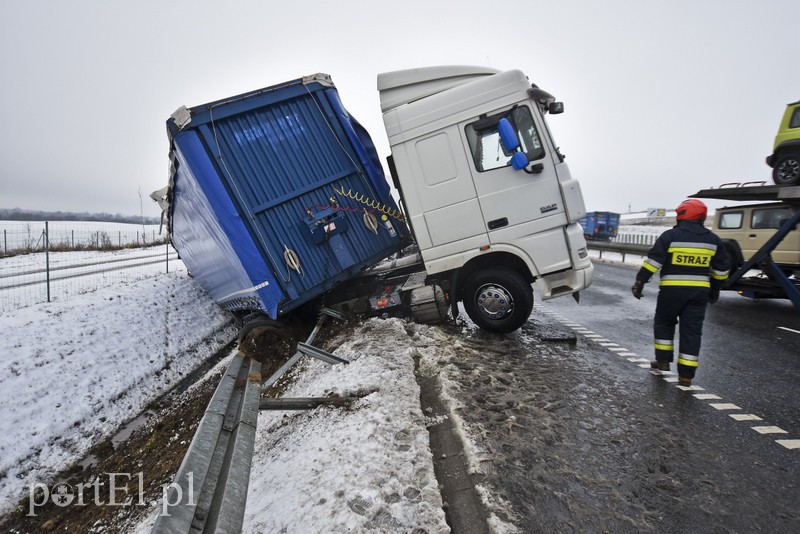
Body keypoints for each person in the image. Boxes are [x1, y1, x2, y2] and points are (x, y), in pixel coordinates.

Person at [631, 199, 731, 386]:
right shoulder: (713, 240)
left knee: (664, 322)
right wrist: (715, 289)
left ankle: (662, 361)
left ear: (683, 214)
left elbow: (653, 262)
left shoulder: (670, 236)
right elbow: (722, 269)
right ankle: (686, 376)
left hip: (671, 292)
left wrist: (640, 282)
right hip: (698, 294)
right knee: (692, 332)